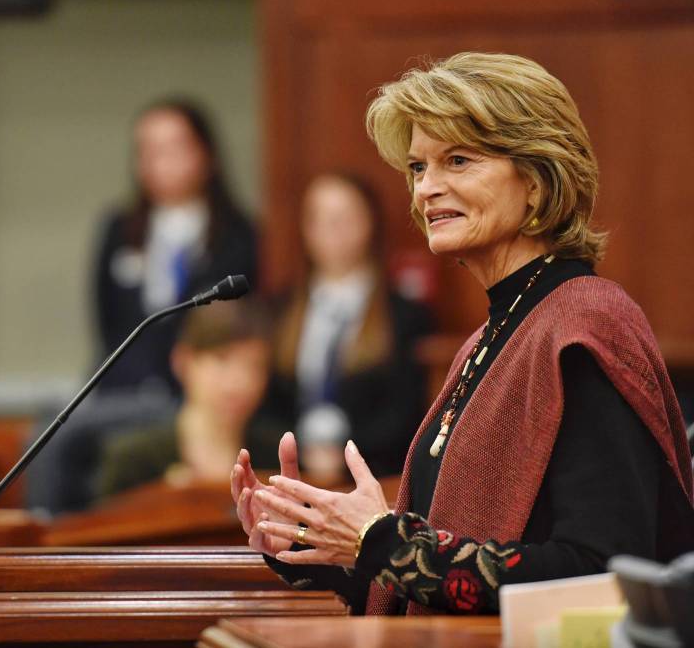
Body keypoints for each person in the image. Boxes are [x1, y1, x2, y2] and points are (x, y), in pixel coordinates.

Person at [231, 52, 694, 615]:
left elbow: (600, 571)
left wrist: (382, 542)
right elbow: (437, 579)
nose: (427, 188)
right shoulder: (488, 339)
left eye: (457, 160)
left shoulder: (585, 326)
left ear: (537, 179)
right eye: (418, 168)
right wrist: (316, 541)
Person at [266, 172, 431, 481]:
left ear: (370, 223)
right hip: (293, 473)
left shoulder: (404, 315)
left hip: (374, 476)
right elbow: (266, 405)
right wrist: (301, 452)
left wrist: (342, 456)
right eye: (320, 219)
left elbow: (406, 413)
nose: (333, 230)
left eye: (344, 218)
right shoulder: (280, 309)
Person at [92, 97, 258, 393]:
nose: (162, 160)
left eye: (174, 148)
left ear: (207, 154)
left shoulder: (238, 236)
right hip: (121, 391)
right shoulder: (118, 230)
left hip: (198, 393)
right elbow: (106, 321)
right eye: (149, 150)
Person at [99, 300, 279, 497]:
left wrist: (299, 529)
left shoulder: (277, 455)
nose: (239, 382)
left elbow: (303, 528)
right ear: (182, 361)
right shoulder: (134, 460)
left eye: (254, 366)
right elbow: (103, 526)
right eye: (222, 359)